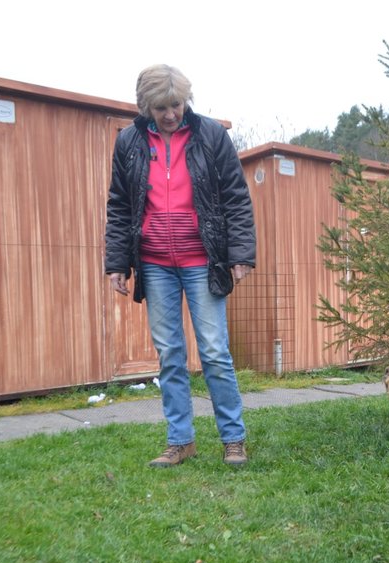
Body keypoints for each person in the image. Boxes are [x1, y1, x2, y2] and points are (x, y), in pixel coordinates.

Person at [105, 64, 256, 468]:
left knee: (214, 351)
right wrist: (117, 263)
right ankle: (180, 441)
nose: (171, 114)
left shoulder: (210, 135)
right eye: (161, 108)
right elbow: (120, 207)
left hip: (202, 260)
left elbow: (236, 198)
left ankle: (233, 439)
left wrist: (240, 253)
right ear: (145, 107)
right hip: (154, 263)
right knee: (169, 353)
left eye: (176, 104)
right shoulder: (129, 142)